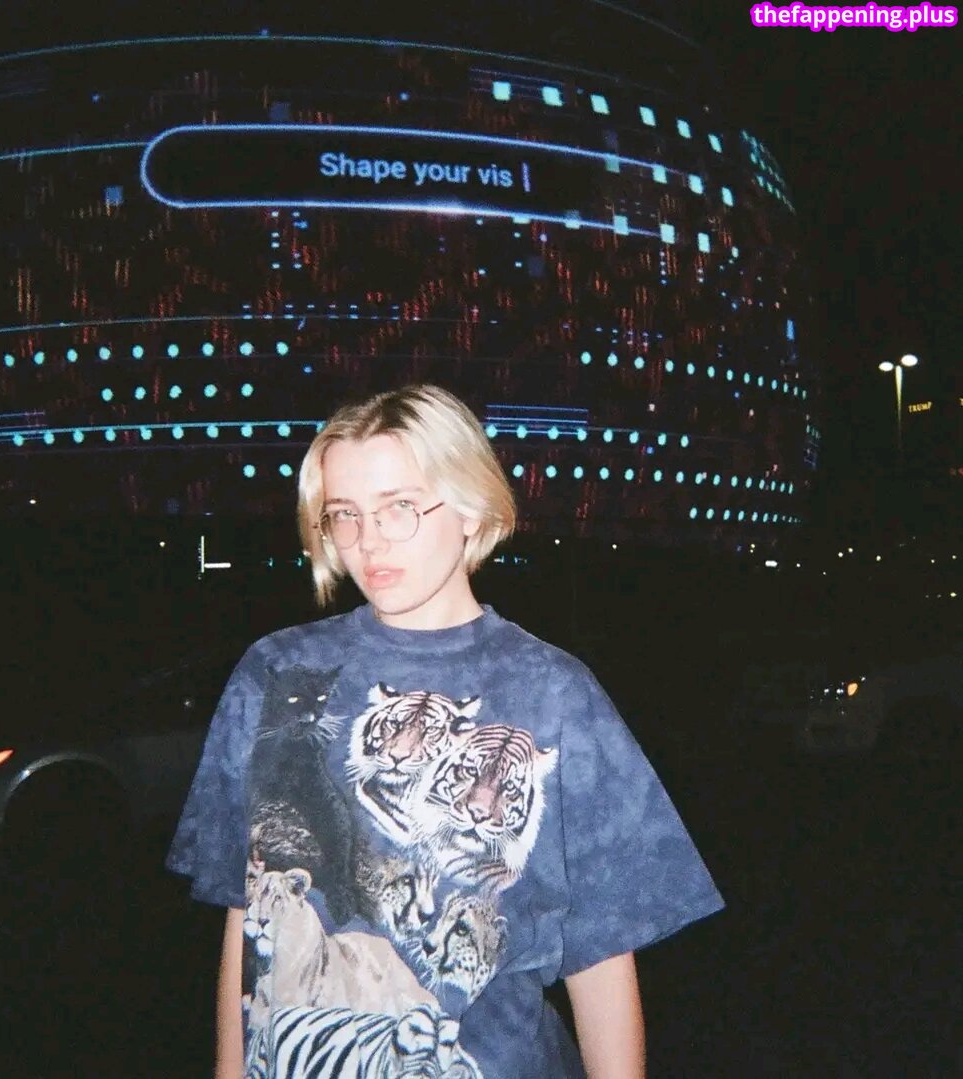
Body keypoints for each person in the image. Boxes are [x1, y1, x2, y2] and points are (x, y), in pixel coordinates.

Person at [167, 384, 723, 1078]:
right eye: (345, 513)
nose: (369, 540)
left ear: (471, 506)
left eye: (400, 506)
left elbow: (602, 953)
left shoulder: (553, 691)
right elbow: (248, 915)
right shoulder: (276, 672)